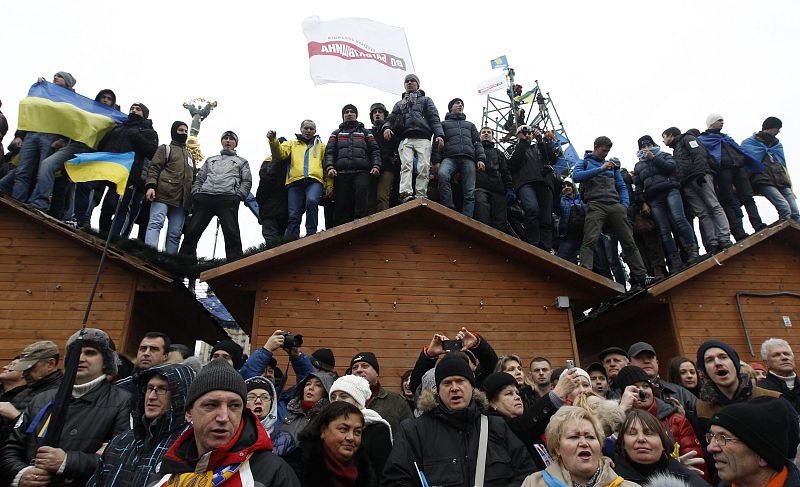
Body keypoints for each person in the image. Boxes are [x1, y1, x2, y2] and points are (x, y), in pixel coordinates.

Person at [0, 328, 131, 487]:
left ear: (106, 361)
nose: (80, 358)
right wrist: (21, 473)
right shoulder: (42, 399)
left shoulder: (123, 401)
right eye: (76, 353)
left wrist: (68, 461)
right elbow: (11, 448)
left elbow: (122, 459)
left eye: (90, 353)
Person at [384, 353, 536, 487]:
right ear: (438, 390)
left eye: (460, 381)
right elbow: (396, 480)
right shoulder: (414, 431)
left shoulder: (496, 427)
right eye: (447, 383)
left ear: (472, 386)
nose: (454, 388)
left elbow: (526, 473)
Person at [150, 359, 300, 486]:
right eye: (211, 405)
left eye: (234, 406)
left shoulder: (274, 473)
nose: (223, 417)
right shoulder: (165, 474)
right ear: (189, 413)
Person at [693, 340, 799, 479]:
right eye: (709, 360)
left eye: (723, 357)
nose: (717, 362)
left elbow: (794, 439)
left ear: (735, 363)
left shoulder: (772, 399)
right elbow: (705, 449)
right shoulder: (701, 409)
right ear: (705, 371)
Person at [87, 363, 195, 487]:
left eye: (162, 389)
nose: (152, 396)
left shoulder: (189, 445)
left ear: (180, 395)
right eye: (150, 388)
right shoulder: (120, 442)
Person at [573, 136, 650, 290]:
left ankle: (642, 276)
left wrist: (624, 205)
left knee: (628, 241)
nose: (605, 154)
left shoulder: (613, 167)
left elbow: (621, 186)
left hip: (615, 205)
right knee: (590, 239)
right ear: (595, 147)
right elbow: (576, 177)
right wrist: (600, 169)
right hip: (596, 204)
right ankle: (585, 272)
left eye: (607, 151)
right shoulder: (584, 163)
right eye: (603, 150)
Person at [27, 89, 117, 215]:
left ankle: (75, 219)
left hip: (93, 154)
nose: (106, 100)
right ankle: (40, 202)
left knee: (78, 186)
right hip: (75, 146)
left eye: (109, 98)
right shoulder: (86, 111)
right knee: (48, 165)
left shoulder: (114, 119)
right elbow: (71, 119)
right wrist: (63, 139)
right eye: (104, 97)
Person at [615, 366, 707, 480]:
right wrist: (620, 411)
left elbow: (698, 467)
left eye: (645, 386)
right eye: (635, 388)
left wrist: (677, 468)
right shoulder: (618, 422)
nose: (642, 391)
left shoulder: (676, 420)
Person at [0, 72, 76, 202]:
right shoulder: (43, 91)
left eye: (60, 76)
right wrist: (20, 136)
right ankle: (16, 201)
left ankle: (38, 202)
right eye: (55, 76)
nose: (56, 77)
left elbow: (71, 120)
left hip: (51, 137)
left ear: (68, 82)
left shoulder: (72, 100)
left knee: (44, 171)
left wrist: (63, 139)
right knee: (22, 171)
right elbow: (29, 112)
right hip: (32, 133)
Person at [482, 370, 579, 469]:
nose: (517, 397)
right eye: (509, 394)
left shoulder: (531, 428)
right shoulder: (495, 427)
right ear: (492, 403)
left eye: (517, 393)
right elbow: (520, 427)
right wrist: (558, 393)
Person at [520, 406, 639, 487]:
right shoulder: (533, 483)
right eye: (574, 437)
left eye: (591, 437)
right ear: (557, 448)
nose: (584, 443)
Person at [178, 130, 251, 259]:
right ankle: (182, 265)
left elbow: (246, 180)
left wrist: (238, 196)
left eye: (231, 139)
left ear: (235, 143)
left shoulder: (242, 161)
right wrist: (196, 193)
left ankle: (236, 269)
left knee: (231, 234)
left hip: (227, 198)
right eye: (225, 138)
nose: (228, 141)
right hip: (205, 197)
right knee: (192, 232)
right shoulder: (210, 160)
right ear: (222, 141)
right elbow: (200, 178)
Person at [633, 135, 699, 272]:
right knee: (664, 230)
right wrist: (643, 203)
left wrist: (654, 158)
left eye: (649, 145)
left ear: (653, 145)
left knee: (680, 220)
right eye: (643, 146)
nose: (646, 148)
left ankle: (692, 251)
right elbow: (638, 186)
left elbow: (671, 168)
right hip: (654, 198)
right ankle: (675, 261)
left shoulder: (664, 155)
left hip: (670, 190)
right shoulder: (638, 165)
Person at [662, 127, 731, 254]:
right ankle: (713, 241)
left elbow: (698, 153)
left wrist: (700, 172)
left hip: (699, 177)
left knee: (713, 205)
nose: (663, 141)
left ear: (670, 135)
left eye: (664, 137)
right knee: (702, 213)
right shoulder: (676, 149)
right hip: (687, 183)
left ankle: (725, 237)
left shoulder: (687, 138)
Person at [698, 114, 766, 241]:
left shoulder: (726, 137)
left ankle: (758, 224)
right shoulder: (703, 139)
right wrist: (715, 166)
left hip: (738, 168)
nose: (722, 122)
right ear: (711, 122)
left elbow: (739, 150)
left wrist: (742, 160)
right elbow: (705, 156)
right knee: (729, 201)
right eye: (719, 120)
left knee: (748, 197)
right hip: (723, 171)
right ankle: (739, 232)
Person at [708, 397, 800, 486]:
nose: (710, 448)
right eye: (711, 436)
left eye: (723, 438)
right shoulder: (721, 482)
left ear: (763, 456)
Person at [382, 73, 445, 202]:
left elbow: (434, 118)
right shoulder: (399, 104)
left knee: (423, 166)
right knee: (406, 165)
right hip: (406, 138)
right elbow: (391, 118)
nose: (409, 83)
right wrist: (387, 127)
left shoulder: (426, 100)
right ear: (404, 85)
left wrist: (439, 134)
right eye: (407, 81)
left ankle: (421, 194)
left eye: (412, 81)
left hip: (423, 137)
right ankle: (405, 193)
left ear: (418, 84)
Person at [285, 401, 378, 487]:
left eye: (357, 432)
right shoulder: (293, 469)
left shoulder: (365, 472)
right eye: (343, 429)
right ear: (323, 430)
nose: (351, 437)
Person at [612, 410, 710, 487]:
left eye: (648, 433)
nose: (641, 439)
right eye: (632, 433)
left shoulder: (688, 479)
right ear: (623, 444)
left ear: (663, 444)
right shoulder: (610, 480)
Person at [325, 104, 381, 226]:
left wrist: (376, 165)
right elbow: (329, 152)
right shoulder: (336, 133)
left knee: (361, 197)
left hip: (362, 172)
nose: (349, 114)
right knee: (341, 202)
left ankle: (361, 225)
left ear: (356, 115)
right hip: (341, 173)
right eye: (346, 112)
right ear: (343, 116)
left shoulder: (365, 132)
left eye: (352, 112)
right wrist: (330, 167)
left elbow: (375, 150)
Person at [144, 121, 195, 253]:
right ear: (174, 132)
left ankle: (169, 262)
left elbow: (193, 179)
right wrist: (150, 186)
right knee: (156, 224)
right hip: (162, 193)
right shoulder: (165, 149)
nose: (184, 133)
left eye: (185, 131)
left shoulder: (190, 156)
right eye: (181, 130)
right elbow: (154, 168)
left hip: (182, 200)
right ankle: (150, 255)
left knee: (175, 234)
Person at [328, 374, 392, 481]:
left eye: (344, 396)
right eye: (333, 397)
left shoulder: (377, 429)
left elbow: (383, 474)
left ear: (358, 401)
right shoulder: (325, 427)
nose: (337, 400)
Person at [506, 125, 558, 250]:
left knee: (546, 218)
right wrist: (522, 142)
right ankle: (532, 245)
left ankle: (546, 249)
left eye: (529, 132)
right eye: (524, 132)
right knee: (532, 208)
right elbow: (512, 163)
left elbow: (552, 159)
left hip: (544, 183)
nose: (527, 134)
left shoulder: (540, 146)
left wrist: (541, 141)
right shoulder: (512, 148)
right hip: (525, 183)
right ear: (517, 134)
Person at [0, 342, 62, 444]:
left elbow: (47, 434)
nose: (25, 374)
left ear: (50, 364)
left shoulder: (61, 393)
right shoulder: (28, 389)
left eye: (30, 368)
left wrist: (15, 416)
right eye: (23, 369)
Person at [741, 116, 799, 222]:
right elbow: (747, 163)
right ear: (772, 128)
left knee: (796, 213)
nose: (779, 131)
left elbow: (782, 163)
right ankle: (785, 234)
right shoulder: (749, 143)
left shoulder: (777, 144)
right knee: (784, 208)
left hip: (781, 179)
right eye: (778, 128)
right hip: (763, 180)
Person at [434, 97, 485, 217]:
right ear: (451, 107)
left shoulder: (470, 125)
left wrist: (481, 159)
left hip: (468, 158)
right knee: (442, 174)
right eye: (457, 103)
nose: (460, 105)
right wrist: (436, 161)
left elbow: (477, 143)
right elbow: (436, 143)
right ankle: (448, 209)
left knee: (469, 191)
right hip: (449, 157)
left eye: (462, 104)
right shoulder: (443, 124)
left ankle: (467, 218)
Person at [348, 352, 411, 434]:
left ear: (376, 372)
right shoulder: (344, 400)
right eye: (354, 367)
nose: (359, 370)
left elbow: (409, 433)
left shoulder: (397, 401)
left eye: (365, 366)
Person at [628, 342, 697, 413]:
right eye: (639, 357)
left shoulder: (681, 393)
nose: (646, 361)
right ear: (629, 365)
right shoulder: (620, 395)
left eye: (650, 357)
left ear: (657, 363)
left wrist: (685, 417)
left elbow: (704, 421)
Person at [279, 370, 337, 448]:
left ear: (326, 391)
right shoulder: (289, 411)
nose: (310, 388)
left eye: (318, 385)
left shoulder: (328, 417)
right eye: (308, 384)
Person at [475, 126, 514, 231]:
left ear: (492, 136)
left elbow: (505, 171)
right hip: (479, 187)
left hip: (497, 189)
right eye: (483, 132)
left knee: (500, 223)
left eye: (489, 132)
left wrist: (509, 187)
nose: (486, 134)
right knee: (482, 216)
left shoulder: (498, 153)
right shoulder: (474, 150)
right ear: (479, 136)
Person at [245, 376, 294, 455]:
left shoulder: (285, 439)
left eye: (264, 397)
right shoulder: (231, 435)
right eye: (251, 397)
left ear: (272, 403)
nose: (258, 401)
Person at [256, 136, 290, 245]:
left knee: (271, 242)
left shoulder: (268, 164)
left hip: (270, 209)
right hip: (284, 209)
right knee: (285, 242)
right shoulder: (290, 165)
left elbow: (263, 188)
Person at [368, 103, 399, 212]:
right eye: (375, 112)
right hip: (370, 168)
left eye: (380, 112)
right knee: (370, 198)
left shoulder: (391, 131)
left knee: (382, 197)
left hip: (387, 167)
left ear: (385, 115)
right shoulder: (368, 133)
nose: (377, 114)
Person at [758, 338, 800, 412]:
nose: (784, 357)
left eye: (787, 354)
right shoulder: (760, 390)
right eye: (776, 355)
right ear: (766, 363)